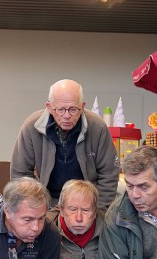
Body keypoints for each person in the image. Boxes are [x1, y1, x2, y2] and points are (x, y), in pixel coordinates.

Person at [10, 79, 120, 210]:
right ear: (49, 107)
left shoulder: (98, 127)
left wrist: (99, 211)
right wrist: (34, 208)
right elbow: (20, 175)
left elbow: (109, 174)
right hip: (47, 201)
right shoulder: (32, 126)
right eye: (60, 109)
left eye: (73, 109)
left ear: (83, 107)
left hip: (86, 203)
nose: (67, 115)